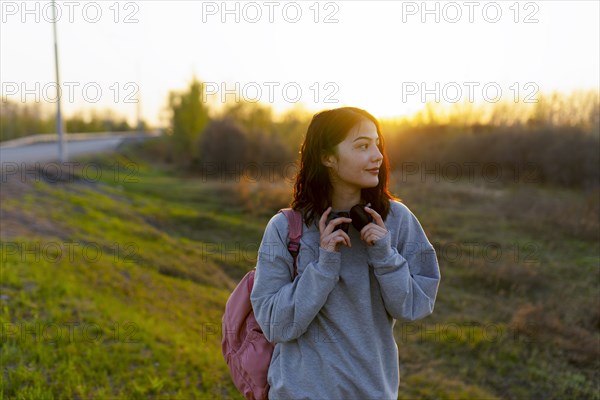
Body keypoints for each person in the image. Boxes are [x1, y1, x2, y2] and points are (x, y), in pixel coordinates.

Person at [250, 106, 441, 400]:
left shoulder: (397, 220)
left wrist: (385, 256)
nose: (377, 156)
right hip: (300, 393)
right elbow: (275, 325)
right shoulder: (287, 228)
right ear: (327, 157)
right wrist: (324, 265)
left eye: (377, 144)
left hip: (372, 392)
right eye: (363, 146)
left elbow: (415, 306)